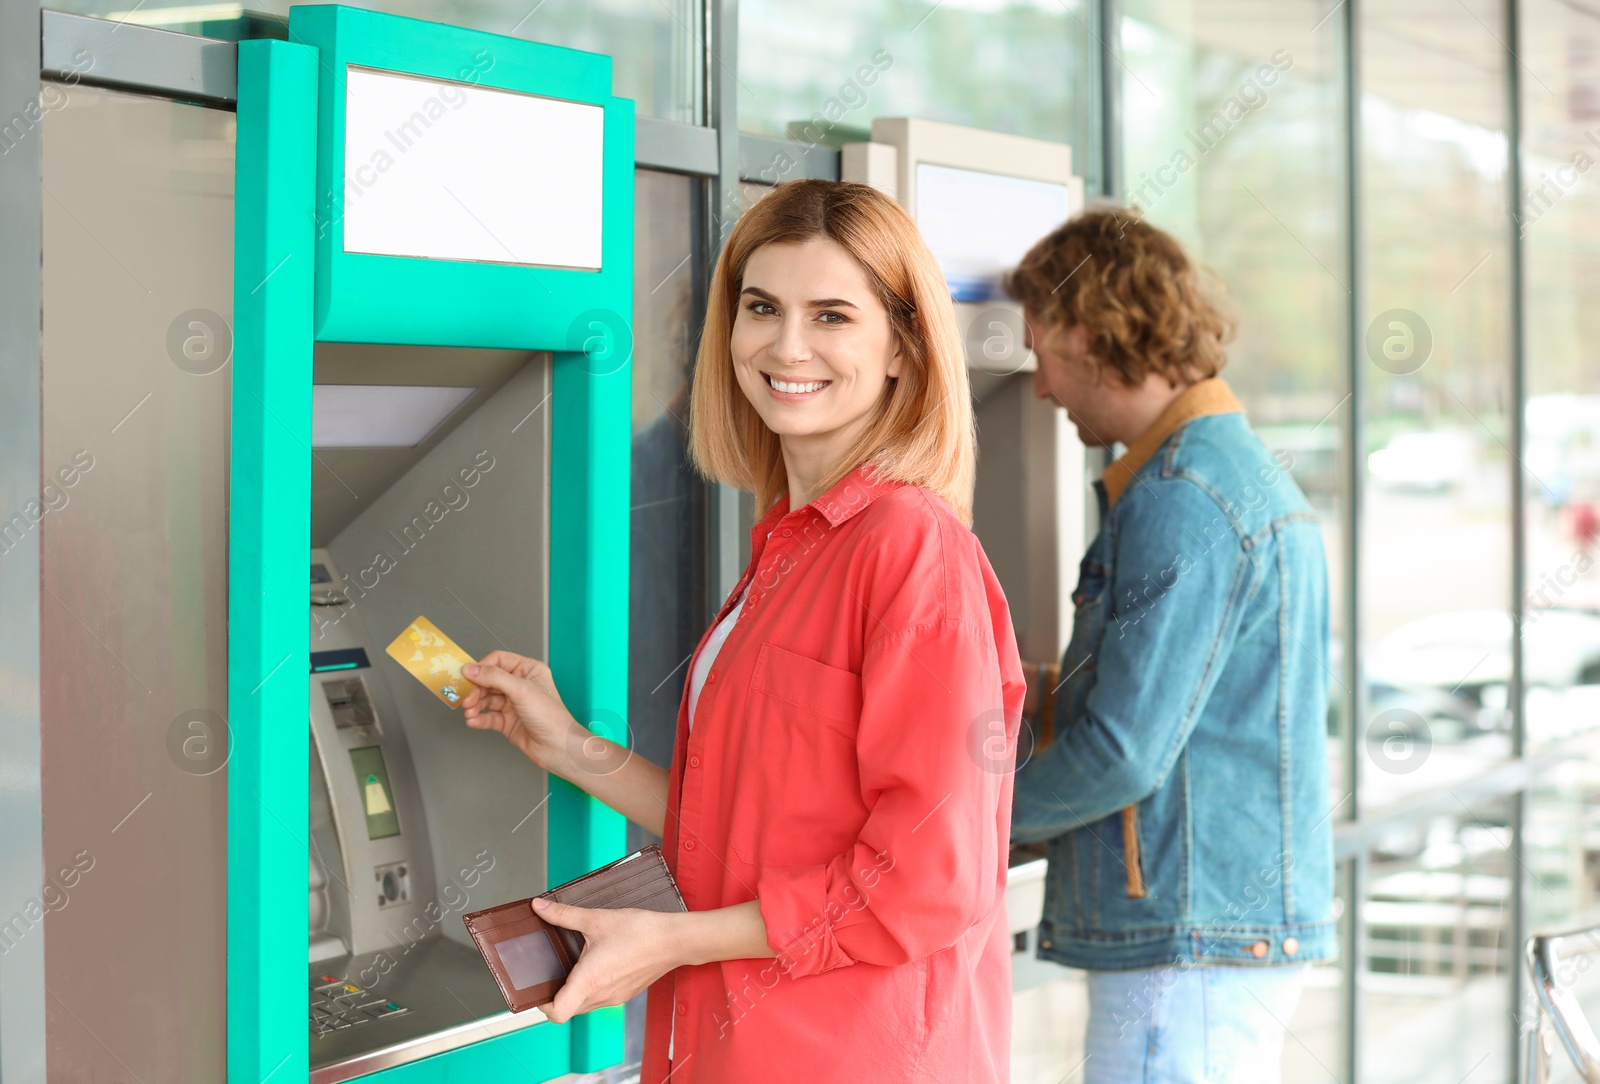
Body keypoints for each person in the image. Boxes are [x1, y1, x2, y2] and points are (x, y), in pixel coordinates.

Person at [458, 178, 1026, 1083]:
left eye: (832, 315)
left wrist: (675, 941)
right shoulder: (789, 545)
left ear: (903, 350)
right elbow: (738, 829)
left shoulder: (914, 552)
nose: (786, 344)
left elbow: (930, 878)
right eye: (762, 307)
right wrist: (568, 745)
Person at [1003, 208, 1336, 1083]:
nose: (1040, 387)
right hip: (1216, 924)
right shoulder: (1238, 474)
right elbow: (1201, 700)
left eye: (1039, 351)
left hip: (1185, 941)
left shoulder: (1181, 498)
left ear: (1085, 332)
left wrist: (963, 822)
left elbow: (1123, 751)